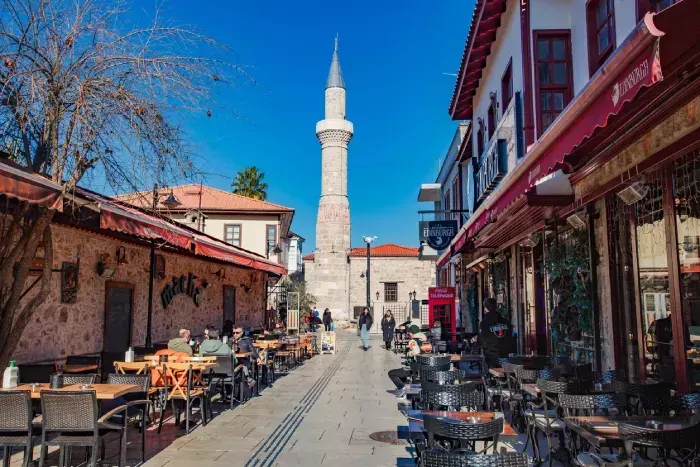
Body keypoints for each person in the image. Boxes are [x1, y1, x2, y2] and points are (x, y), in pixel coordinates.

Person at [471, 298, 517, 367]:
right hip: (506, 356)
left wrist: (475, 344)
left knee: (490, 373)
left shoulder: (484, 323)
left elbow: (483, 340)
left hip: (491, 357)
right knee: (506, 374)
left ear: (486, 308)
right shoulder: (506, 322)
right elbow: (510, 337)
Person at [387, 325, 425, 400]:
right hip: (420, 366)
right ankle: (404, 387)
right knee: (400, 372)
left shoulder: (413, 341)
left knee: (391, 373)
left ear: (413, 333)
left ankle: (403, 389)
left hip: (412, 367)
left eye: (409, 333)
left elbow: (415, 352)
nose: (408, 334)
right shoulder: (422, 340)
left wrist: (408, 353)